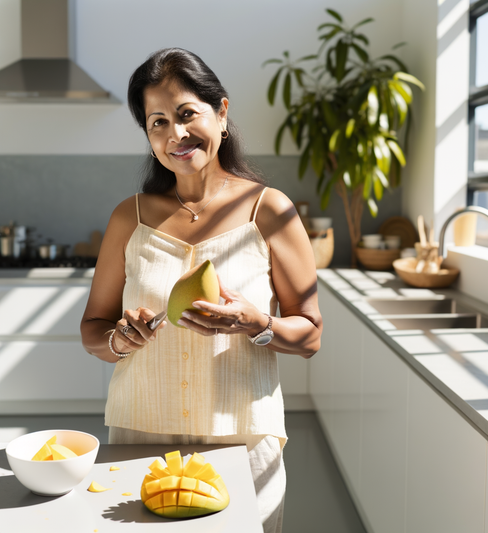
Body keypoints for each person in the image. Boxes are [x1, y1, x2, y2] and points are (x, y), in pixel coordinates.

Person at [80, 47, 322, 533]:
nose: (176, 134)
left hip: (244, 440)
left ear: (222, 112)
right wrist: (117, 339)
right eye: (158, 122)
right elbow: (93, 329)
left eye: (187, 114)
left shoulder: (270, 211)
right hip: (139, 436)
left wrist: (258, 324)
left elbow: (311, 335)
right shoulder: (130, 217)